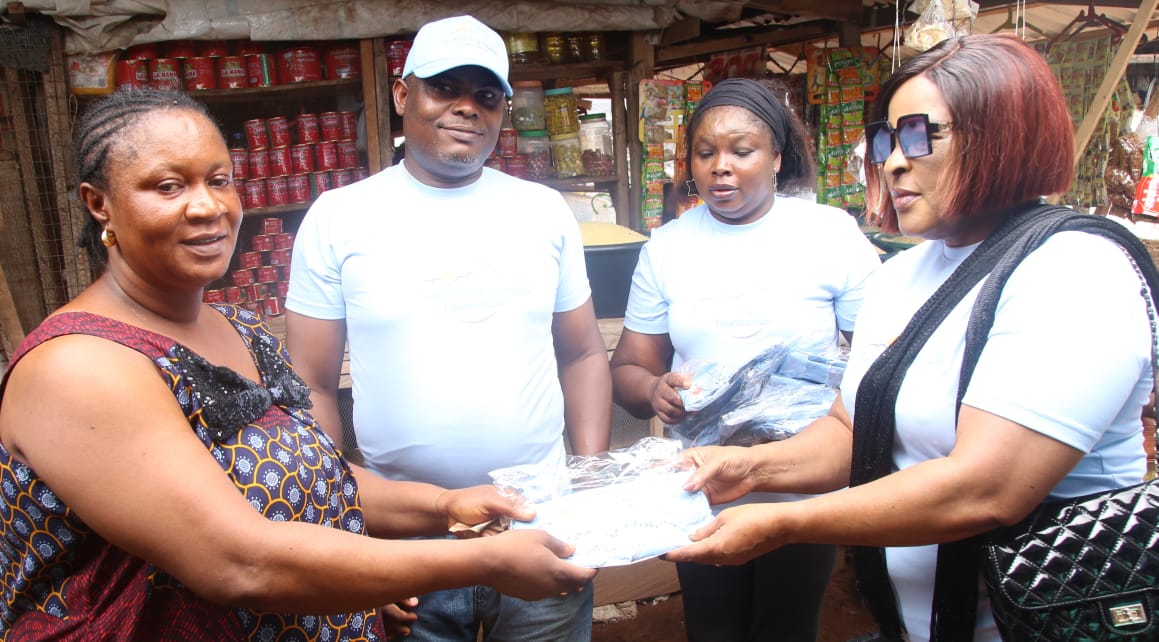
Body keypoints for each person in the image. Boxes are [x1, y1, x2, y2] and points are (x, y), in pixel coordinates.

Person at [0, 88, 596, 640]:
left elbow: (318, 478)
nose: (206, 207)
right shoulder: (79, 367)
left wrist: (445, 507)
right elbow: (238, 562)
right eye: (168, 186)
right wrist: (480, 560)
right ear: (99, 204)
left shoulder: (237, 328)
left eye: (219, 180)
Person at [664, 34, 1156, 642]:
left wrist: (786, 525)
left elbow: (987, 488)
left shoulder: (1075, 269)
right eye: (887, 139)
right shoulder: (901, 277)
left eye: (921, 136)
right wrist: (749, 468)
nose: (894, 161)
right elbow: (854, 431)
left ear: (1004, 134)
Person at [285, 15, 612, 642]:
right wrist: (350, 534)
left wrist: (589, 489)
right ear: (402, 95)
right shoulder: (338, 218)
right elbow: (312, 386)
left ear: (503, 111)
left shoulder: (542, 212)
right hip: (405, 536)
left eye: (486, 95)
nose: (466, 108)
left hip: (540, 522)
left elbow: (582, 355)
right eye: (444, 88)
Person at [609, 76, 881, 642]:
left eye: (741, 151)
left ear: (777, 157)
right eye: (705, 153)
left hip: (802, 486)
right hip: (698, 489)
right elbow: (628, 370)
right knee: (713, 627)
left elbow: (880, 362)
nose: (721, 168)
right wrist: (655, 390)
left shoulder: (829, 235)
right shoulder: (669, 247)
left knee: (788, 626)